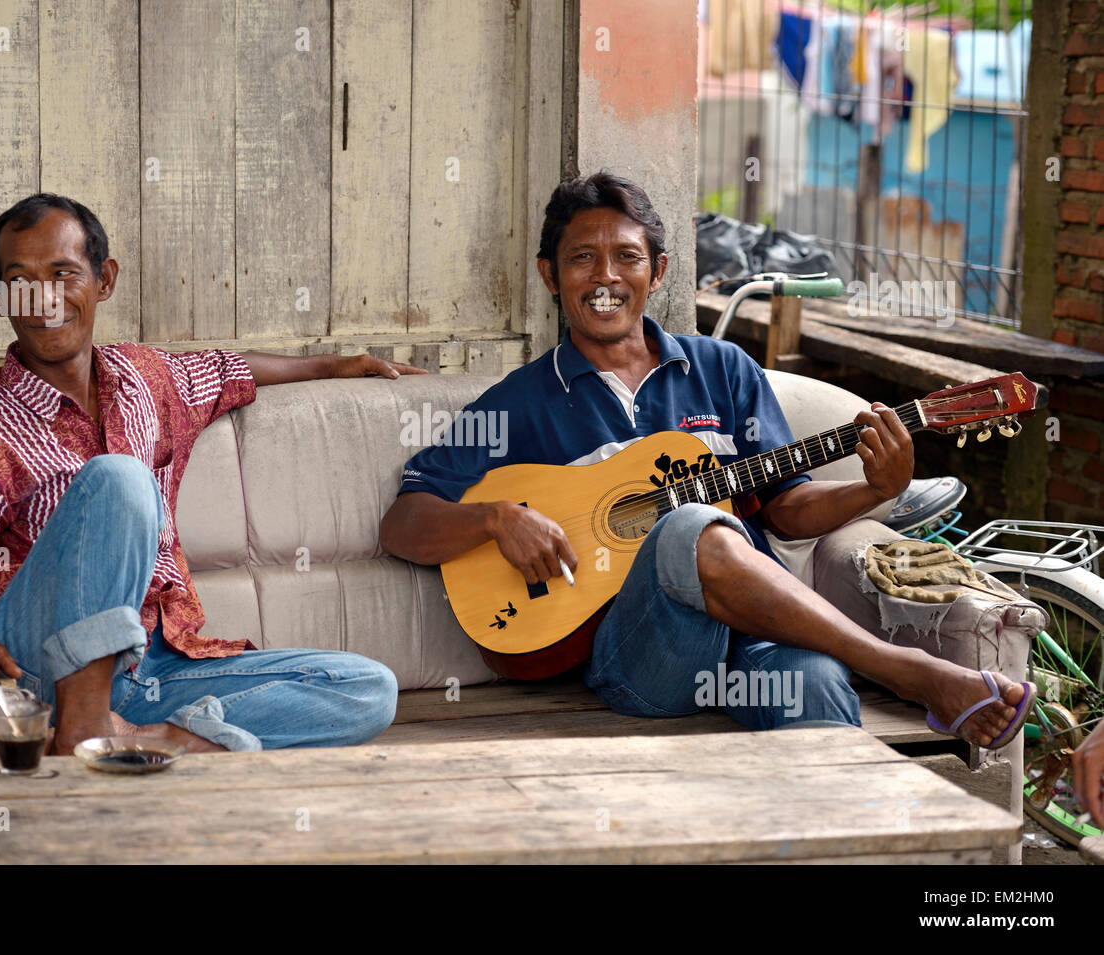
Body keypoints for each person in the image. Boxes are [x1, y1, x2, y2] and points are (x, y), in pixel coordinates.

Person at [380, 171, 1031, 744]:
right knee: (688, 521)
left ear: (657, 272)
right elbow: (404, 522)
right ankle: (908, 670)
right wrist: (496, 518)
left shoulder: (724, 372)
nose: (605, 276)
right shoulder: (520, 403)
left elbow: (787, 510)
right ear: (551, 274)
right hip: (645, 662)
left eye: (626, 258)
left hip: (756, 644)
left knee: (819, 685)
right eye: (583, 258)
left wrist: (872, 489)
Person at [0, 193, 421, 754]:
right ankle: (81, 728)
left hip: (154, 665)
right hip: (39, 662)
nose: (44, 298)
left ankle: (162, 739)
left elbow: (228, 369)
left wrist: (336, 364)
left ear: (104, 280)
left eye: (64, 273)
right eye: (20, 281)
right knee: (120, 478)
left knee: (367, 689)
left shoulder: (146, 377)